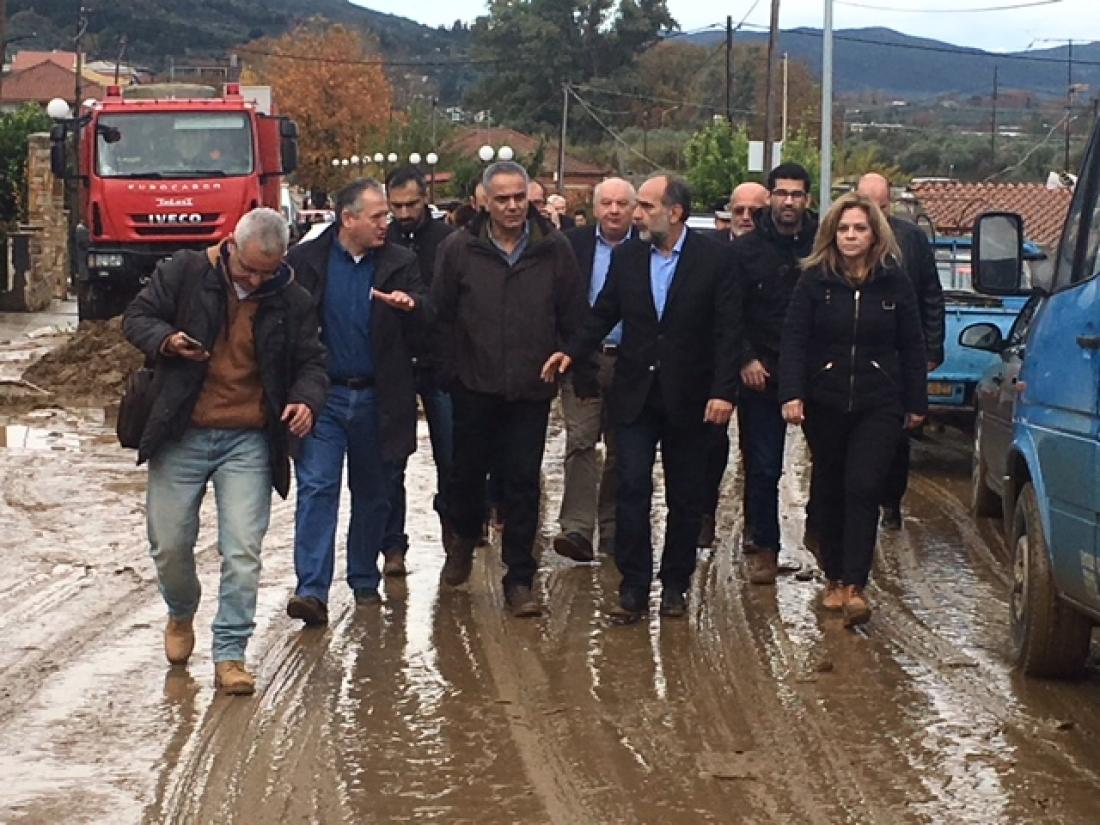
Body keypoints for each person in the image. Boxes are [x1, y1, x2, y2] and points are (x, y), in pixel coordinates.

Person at [122, 207, 328, 695]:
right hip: (182, 429)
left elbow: (313, 362)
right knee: (169, 543)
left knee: (243, 550)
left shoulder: (292, 299)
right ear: (231, 245)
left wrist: (305, 399)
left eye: (266, 273)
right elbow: (136, 318)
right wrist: (167, 340)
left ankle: (231, 653)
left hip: (248, 439)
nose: (255, 281)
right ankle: (181, 611)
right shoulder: (185, 273)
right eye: (248, 269)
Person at [542, 174, 741, 623]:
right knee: (631, 486)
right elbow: (603, 312)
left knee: (684, 495)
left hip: (690, 396)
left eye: (647, 206)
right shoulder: (629, 256)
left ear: (675, 212)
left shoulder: (714, 258)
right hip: (634, 394)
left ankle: (674, 585)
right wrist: (571, 351)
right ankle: (632, 587)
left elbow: (729, 330)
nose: (637, 214)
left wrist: (723, 392)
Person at [432, 160, 586, 618]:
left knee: (522, 482)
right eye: (503, 199)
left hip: (530, 387)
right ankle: (464, 536)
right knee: (466, 477)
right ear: (485, 202)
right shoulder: (459, 249)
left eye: (520, 197)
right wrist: (451, 372)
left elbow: (574, 314)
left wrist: (567, 352)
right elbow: (441, 315)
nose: (513, 206)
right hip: (473, 385)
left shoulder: (553, 248)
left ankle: (520, 577)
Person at [779, 192, 927, 626]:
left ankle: (855, 585)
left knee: (864, 486)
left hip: (879, 401)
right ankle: (833, 573)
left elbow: (912, 344)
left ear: (874, 234)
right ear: (832, 234)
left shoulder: (894, 283)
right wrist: (792, 392)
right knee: (830, 487)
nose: (850, 236)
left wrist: (916, 401)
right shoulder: (814, 281)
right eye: (843, 229)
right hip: (825, 400)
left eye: (859, 228)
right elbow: (795, 339)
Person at [285, 179, 428, 626]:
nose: (387, 222)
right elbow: (287, 328)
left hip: (379, 396)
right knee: (317, 487)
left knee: (374, 491)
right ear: (348, 218)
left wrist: (412, 306)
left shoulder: (401, 263)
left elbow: (430, 313)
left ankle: (364, 578)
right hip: (323, 396)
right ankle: (311, 590)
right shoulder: (305, 261)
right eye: (377, 216)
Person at [728, 164, 818, 584]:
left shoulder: (823, 244)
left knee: (829, 464)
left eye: (796, 195)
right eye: (781, 193)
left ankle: (822, 540)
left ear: (807, 200)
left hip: (816, 371)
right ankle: (765, 547)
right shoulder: (745, 251)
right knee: (763, 466)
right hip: (761, 371)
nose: (788, 202)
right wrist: (745, 358)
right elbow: (730, 311)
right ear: (770, 197)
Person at [552, 177, 638, 563]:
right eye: (607, 203)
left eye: (622, 203)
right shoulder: (573, 245)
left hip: (632, 361)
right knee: (581, 440)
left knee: (624, 446)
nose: (614, 211)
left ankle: (613, 527)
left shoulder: (646, 248)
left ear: (634, 209)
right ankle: (577, 528)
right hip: (581, 358)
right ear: (595, 206)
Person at [856, 172, 945, 530]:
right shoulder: (841, 238)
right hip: (854, 352)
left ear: (889, 205)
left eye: (878, 208)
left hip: (899, 354)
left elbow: (931, 294)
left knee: (896, 436)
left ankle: (891, 501)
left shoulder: (912, 240)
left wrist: (932, 348)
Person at [382, 165, 456, 576]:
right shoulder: (383, 238)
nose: (404, 213)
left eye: (411, 204)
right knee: (391, 457)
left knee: (451, 454)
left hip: (440, 358)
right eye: (396, 206)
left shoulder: (448, 240)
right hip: (393, 360)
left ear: (425, 198)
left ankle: (454, 527)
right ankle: (393, 544)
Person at [698, 178, 774, 548]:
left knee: (759, 454)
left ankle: (756, 527)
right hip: (716, 364)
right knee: (710, 445)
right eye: (738, 210)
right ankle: (704, 516)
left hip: (763, 367)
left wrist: (753, 357)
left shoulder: (774, 251)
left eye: (754, 211)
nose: (745, 217)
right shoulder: (709, 250)